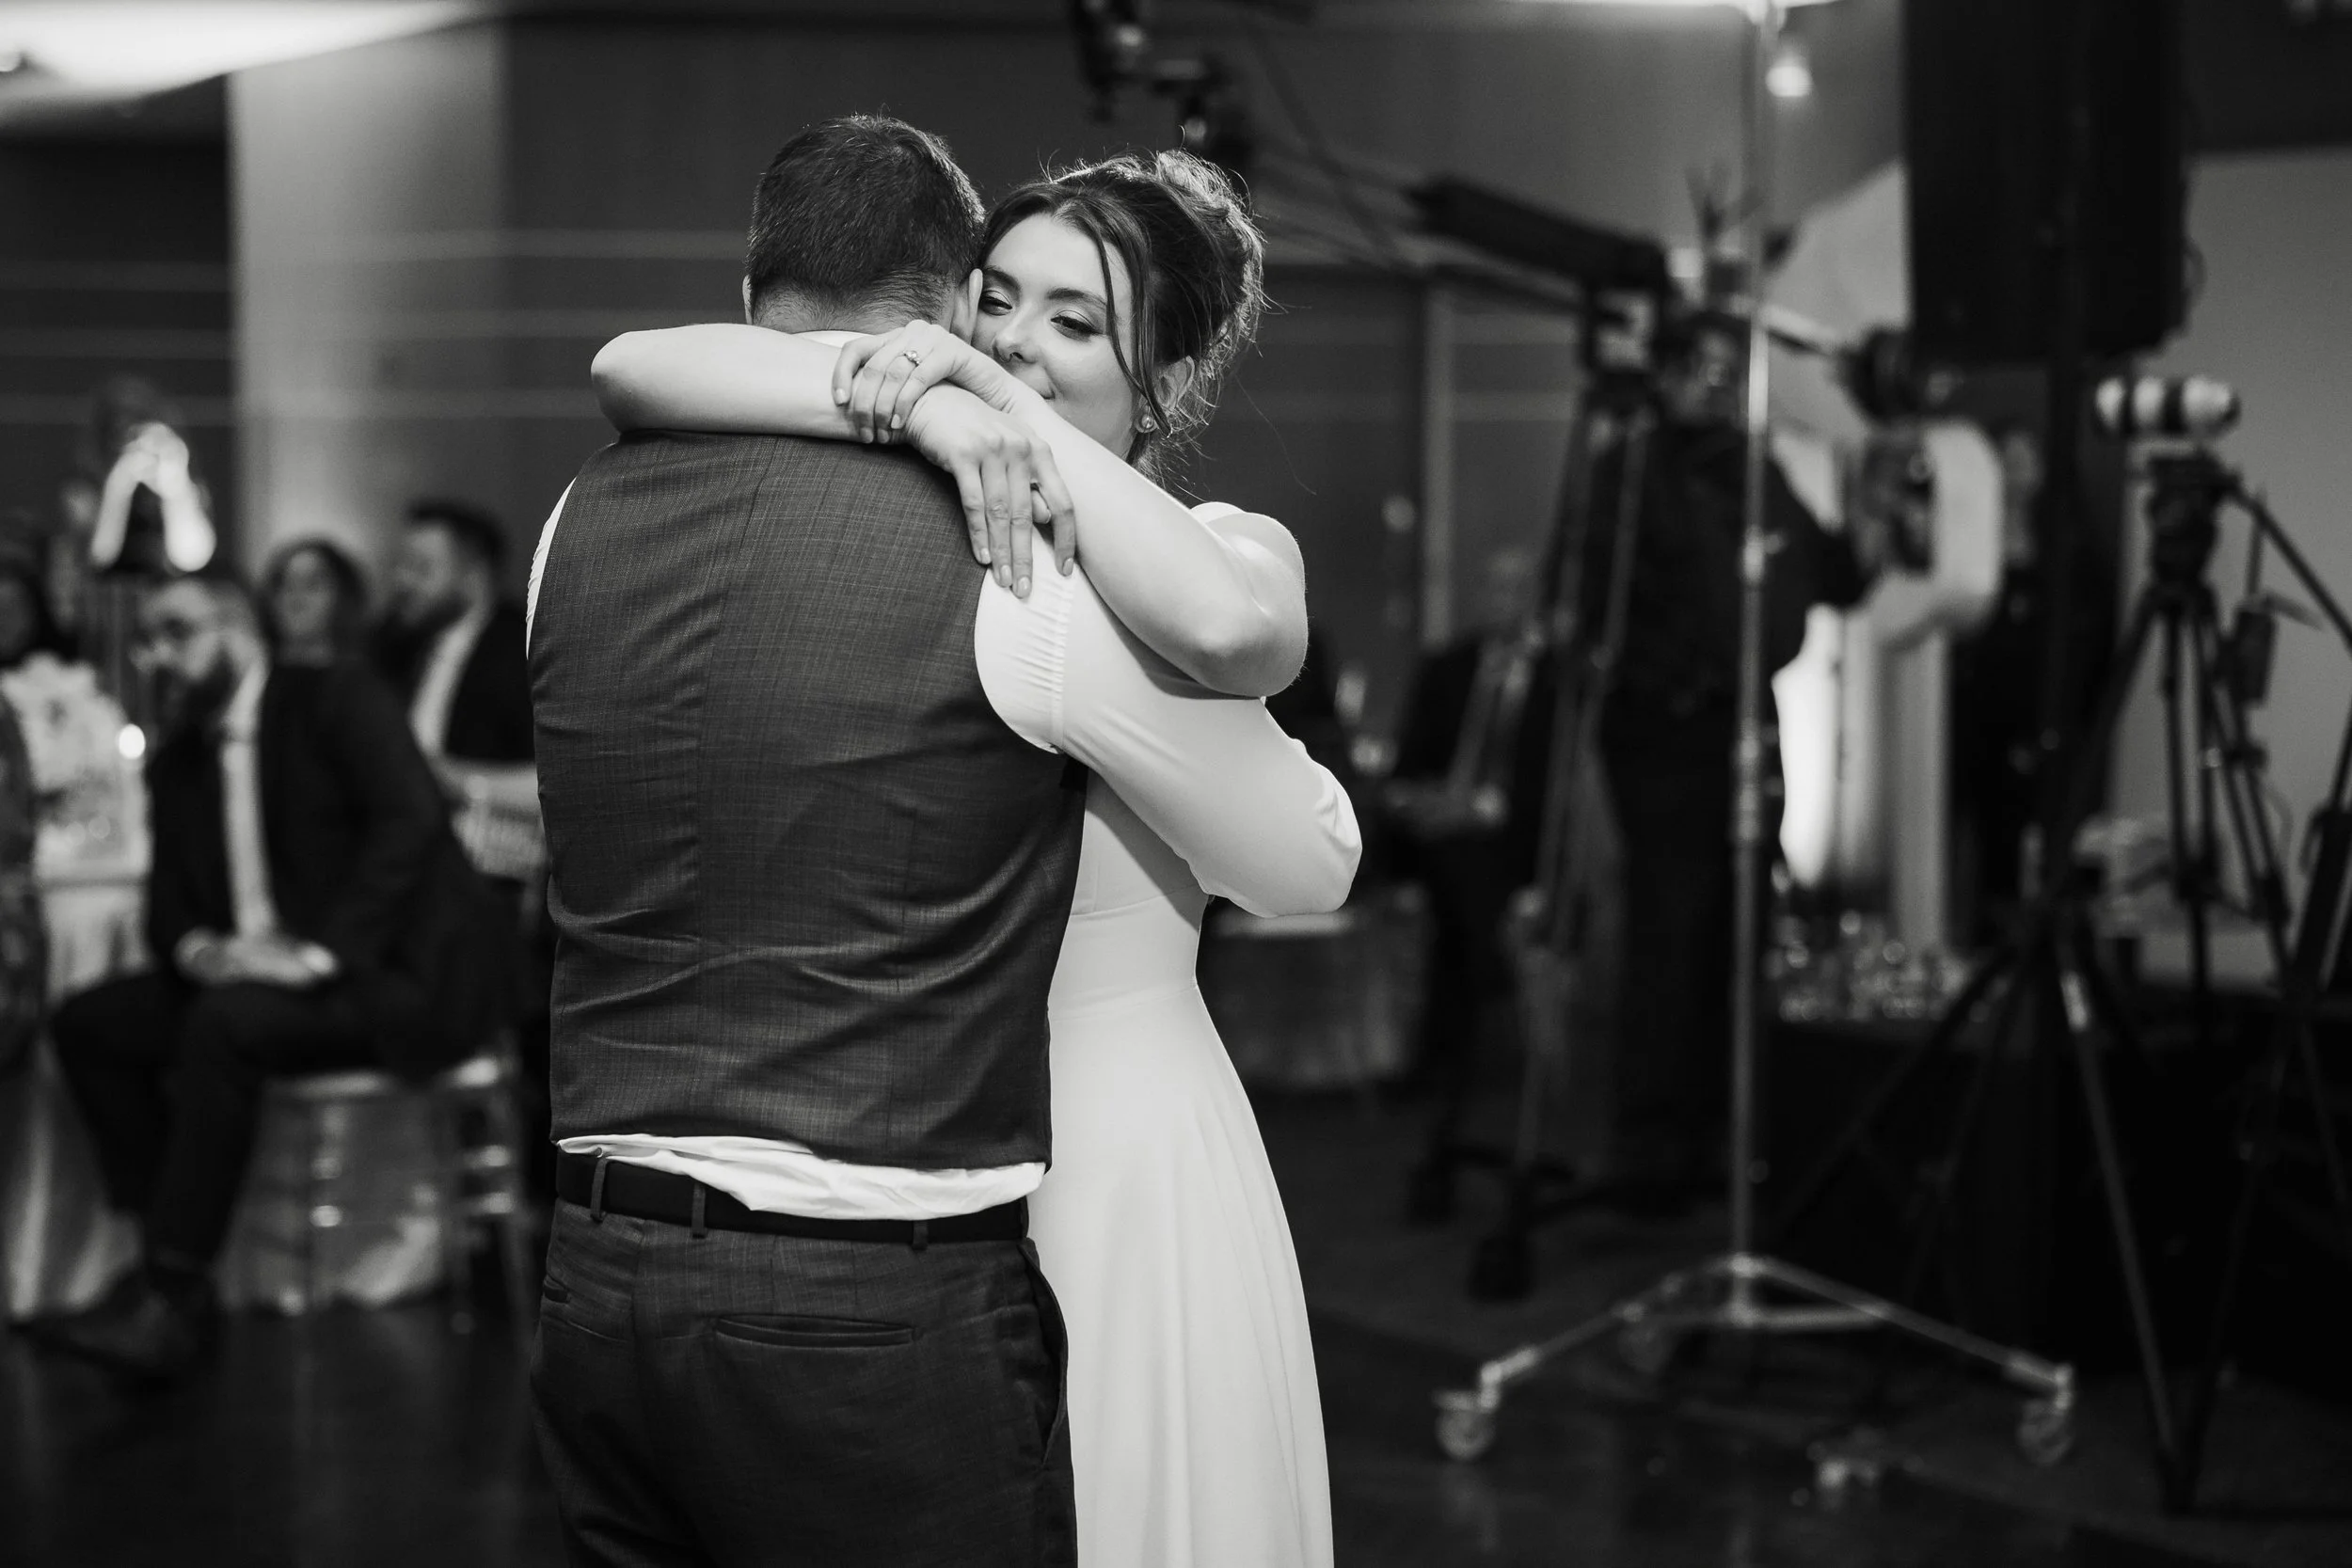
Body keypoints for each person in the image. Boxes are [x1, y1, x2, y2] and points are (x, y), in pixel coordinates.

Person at [534, 118, 1355, 1568]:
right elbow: (639, 363)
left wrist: (984, 405)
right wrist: (951, 412)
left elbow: (1305, 848)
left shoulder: (1131, 564)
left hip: (1106, 1157)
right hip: (919, 1183)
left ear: (1165, 378)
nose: (1018, 341)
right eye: (998, 299)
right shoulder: (974, 530)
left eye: (1075, 320)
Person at [35, 576, 514, 1382]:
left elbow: (410, 822)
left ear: (235, 626)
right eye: (148, 640)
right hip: (259, 979)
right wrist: (202, 952)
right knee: (89, 1022)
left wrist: (318, 954)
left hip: (391, 976)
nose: (157, 656)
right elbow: (167, 907)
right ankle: (166, 1253)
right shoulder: (179, 757)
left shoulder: (335, 698)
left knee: (223, 1024)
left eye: (176, 631)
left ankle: (172, 1290)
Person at [1585, 311, 1869, 1212]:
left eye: (1729, 371)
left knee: (1737, 931)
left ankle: (1723, 1137)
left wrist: (1877, 506)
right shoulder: (1631, 470)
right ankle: (1653, 1148)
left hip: (1740, 729)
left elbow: (1834, 574)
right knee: (1672, 932)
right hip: (1662, 735)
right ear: (1666, 374)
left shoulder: (1755, 471)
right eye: (1703, 369)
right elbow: (1605, 606)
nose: (1718, 387)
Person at [260, 537, 371, 668]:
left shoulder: (359, 678)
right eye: (286, 585)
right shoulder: (255, 673)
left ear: (342, 597)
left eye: (312, 585)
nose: (297, 596)